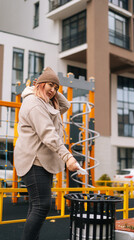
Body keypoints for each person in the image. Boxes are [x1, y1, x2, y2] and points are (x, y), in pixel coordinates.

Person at [14, 67, 79, 240]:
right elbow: (48, 134)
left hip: (43, 161)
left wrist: (51, 88)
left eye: (56, 88)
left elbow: (66, 105)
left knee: (36, 206)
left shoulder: (47, 102)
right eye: (50, 85)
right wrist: (68, 156)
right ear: (40, 84)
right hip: (34, 160)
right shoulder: (34, 104)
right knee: (42, 205)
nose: (53, 91)